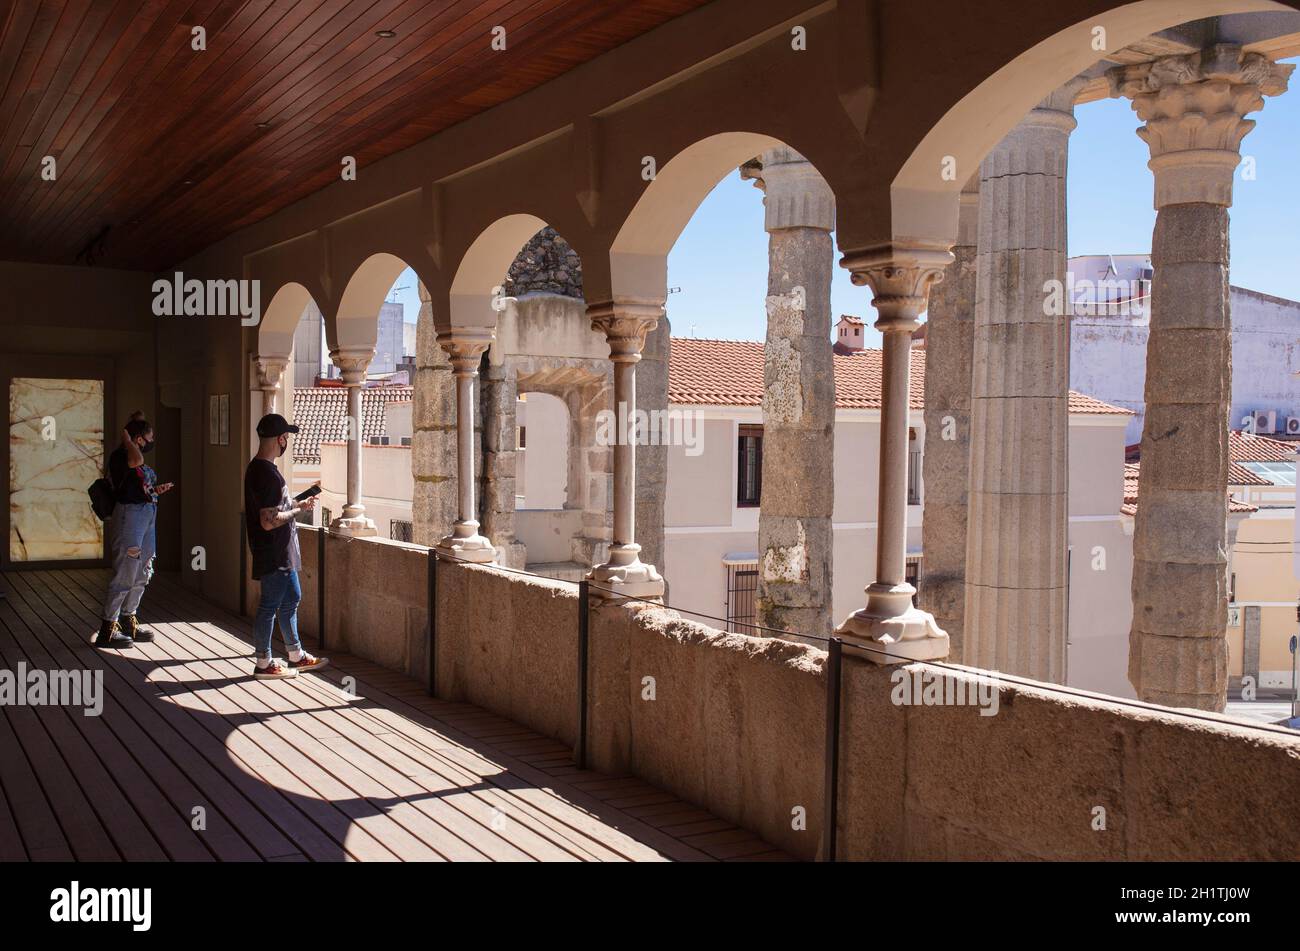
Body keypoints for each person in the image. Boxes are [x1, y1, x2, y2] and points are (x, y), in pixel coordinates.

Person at [245, 413, 328, 679]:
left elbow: (276, 506)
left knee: (291, 597)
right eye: (287, 438)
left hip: (280, 552)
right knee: (269, 605)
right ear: (281, 439)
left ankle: (295, 655)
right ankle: (263, 662)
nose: (287, 442)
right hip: (275, 552)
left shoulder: (257, 469)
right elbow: (269, 520)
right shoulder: (269, 476)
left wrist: (299, 503)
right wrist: (297, 513)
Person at [96, 416, 174, 647]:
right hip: (130, 516)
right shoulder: (122, 456)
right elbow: (136, 459)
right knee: (127, 569)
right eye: (149, 438)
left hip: (147, 513)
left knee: (144, 566)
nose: (152, 441)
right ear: (139, 439)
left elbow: (139, 486)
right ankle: (108, 627)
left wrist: (154, 490)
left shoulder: (134, 457)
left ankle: (129, 617)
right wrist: (127, 441)